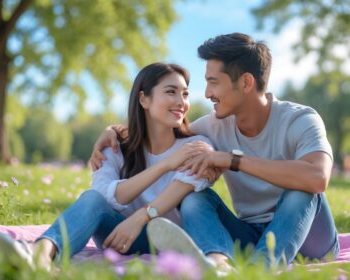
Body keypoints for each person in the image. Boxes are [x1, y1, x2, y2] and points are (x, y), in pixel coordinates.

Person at [90, 33, 340, 268]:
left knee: (301, 191)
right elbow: (165, 128)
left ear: (245, 82)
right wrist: (114, 131)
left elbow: (317, 178)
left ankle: (261, 269)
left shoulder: (301, 119)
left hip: (311, 239)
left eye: (213, 82)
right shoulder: (214, 126)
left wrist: (233, 160)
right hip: (250, 233)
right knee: (195, 198)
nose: (207, 93)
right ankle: (218, 263)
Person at [0, 63, 221, 271]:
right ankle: (40, 256)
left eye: (186, 94)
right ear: (143, 99)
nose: (182, 102)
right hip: (119, 237)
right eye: (171, 92)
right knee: (92, 198)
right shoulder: (115, 147)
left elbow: (192, 183)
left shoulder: (196, 146)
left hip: (172, 241)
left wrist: (140, 218)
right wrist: (165, 165)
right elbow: (106, 194)